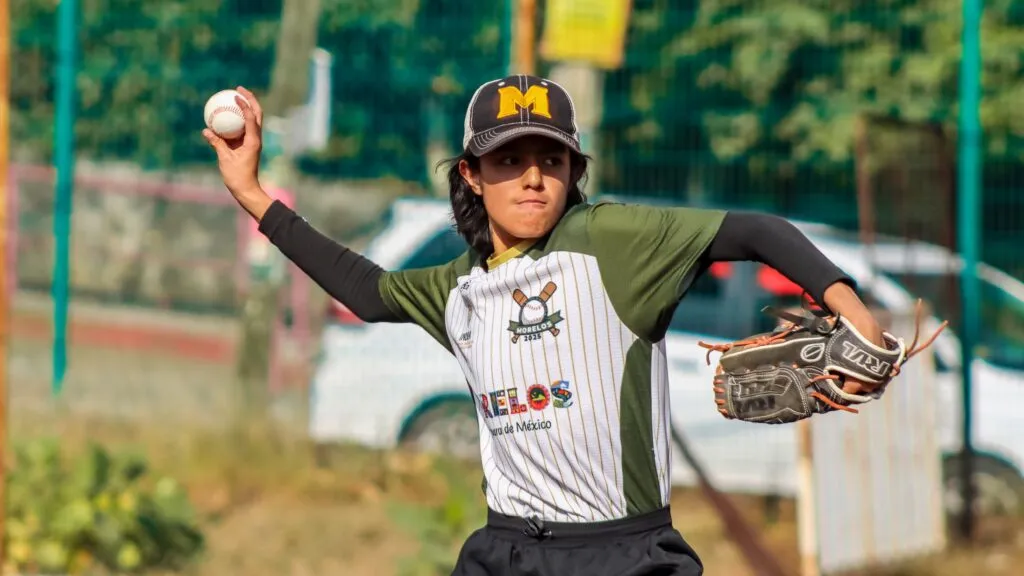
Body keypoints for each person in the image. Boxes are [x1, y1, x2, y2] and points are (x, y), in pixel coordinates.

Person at [204, 76, 888, 576]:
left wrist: (850, 306)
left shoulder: (610, 242)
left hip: (624, 555)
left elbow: (756, 230)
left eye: (551, 160)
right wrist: (253, 196)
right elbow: (369, 290)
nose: (533, 178)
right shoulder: (459, 289)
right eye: (509, 160)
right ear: (471, 174)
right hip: (507, 551)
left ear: (573, 171)